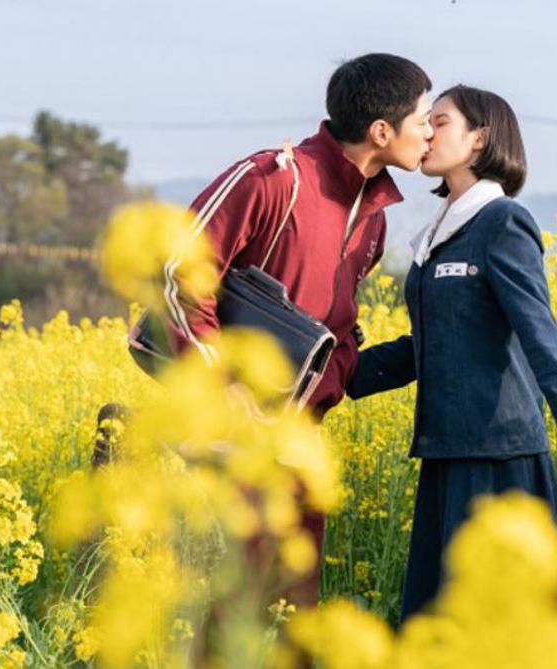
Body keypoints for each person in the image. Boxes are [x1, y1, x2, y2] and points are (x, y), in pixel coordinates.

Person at [132, 53, 435, 611]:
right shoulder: (273, 178)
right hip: (225, 438)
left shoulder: (375, 217)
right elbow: (176, 272)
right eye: (423, 118)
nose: (430, 131)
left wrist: (333, 378)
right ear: (381, 131)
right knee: (223, 611)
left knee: (290, 611)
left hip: (297, 444)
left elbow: (341, 320)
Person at [346, 84, 557, 623]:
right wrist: (342, 373)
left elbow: (535, 324)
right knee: (438, 620)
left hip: (499, 453)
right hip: (446, 451)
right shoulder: (437, 234)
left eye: (439, 122)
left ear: (478, 140)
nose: (424, 131)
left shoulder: (501, 223)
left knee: (502, 621)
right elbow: (436, 343)